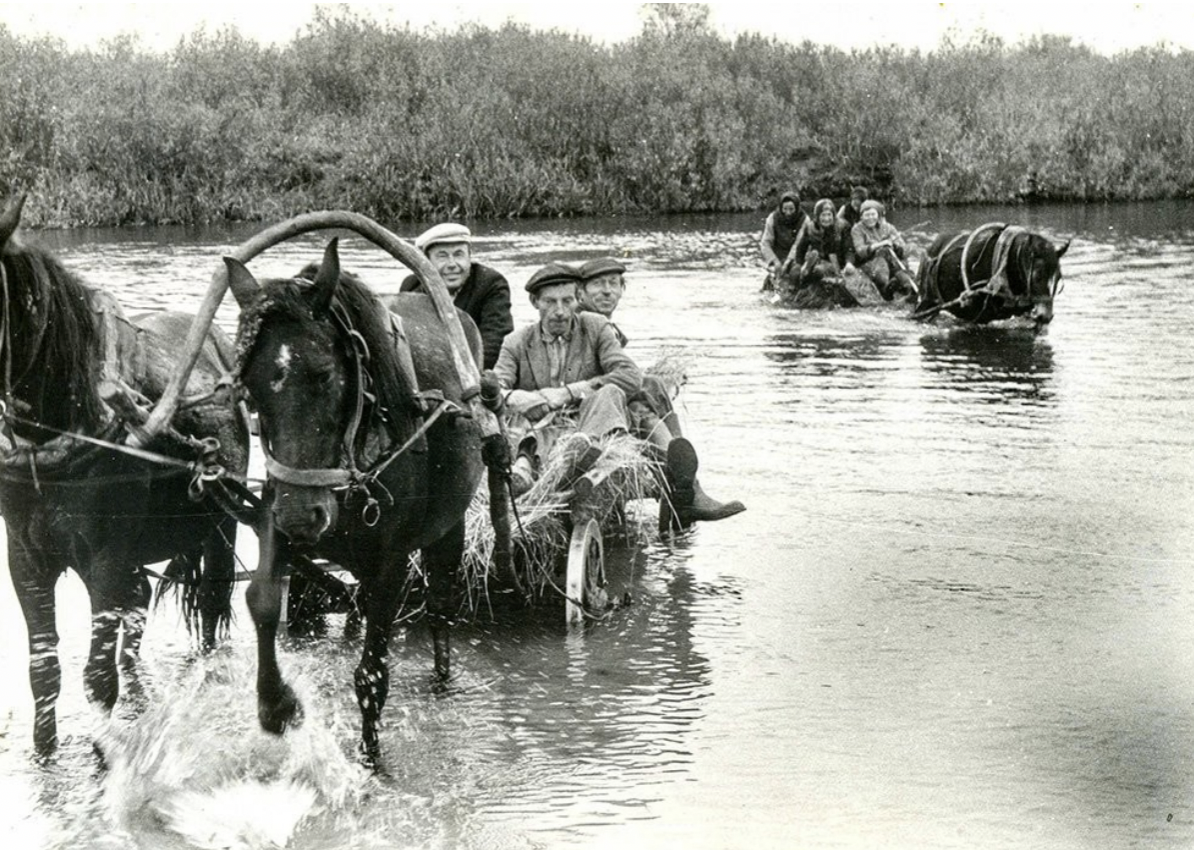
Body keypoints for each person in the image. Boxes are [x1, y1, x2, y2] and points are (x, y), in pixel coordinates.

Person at [576, 257, 745, 529]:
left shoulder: (603, 325)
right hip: (587, 409)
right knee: (648, 390)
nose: (607, 291)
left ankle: (683, 483)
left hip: (602, 400)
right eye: (597, 284)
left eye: (614, 284)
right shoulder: (584, 321)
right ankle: (686, 486)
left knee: (651, 386)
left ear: (622, 290)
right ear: (580, 292)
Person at [400, 222, 513, 369]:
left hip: (475, 372)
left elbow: (495, 341)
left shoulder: (490, 283)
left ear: (469, 257)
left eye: (459, 255)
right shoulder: (411, 286)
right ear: (427, 262)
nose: (452, 264)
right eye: (442, 256)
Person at [850, 199, 916, 301]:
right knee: (881, 266)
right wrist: (878, 245)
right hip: (870, 262)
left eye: (873, 214)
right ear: (861, 217)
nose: (870, 218)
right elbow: (860, 251)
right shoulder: (857, 229)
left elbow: (905, 249)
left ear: (878, 215)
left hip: (892, 261)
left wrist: (895, 246)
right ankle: (886, 289)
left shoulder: (888, 227)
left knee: (902, 271)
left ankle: (908, 287)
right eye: (867, 215)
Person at [789, 198, 850, 289]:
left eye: (829, 215)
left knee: (819, 271)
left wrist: (849, 263)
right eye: (823, 215)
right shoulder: (810, 228)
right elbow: (801, 249)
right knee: (795, 271)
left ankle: (807, 274)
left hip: (837, 262)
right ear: (817, 216)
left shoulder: (842, 226)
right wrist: (798, 264)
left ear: (833, 215)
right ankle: (800, 280)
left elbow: (849, 248)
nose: (826, 219)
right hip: (819, 259)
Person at [759, 191, 806, 291]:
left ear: (796, 208)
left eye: (791, 209)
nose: (788, 213)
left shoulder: (805, 220)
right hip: (778, 254)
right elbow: (765, 243)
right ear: (781, 208)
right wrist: (774, 261)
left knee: (795, 271)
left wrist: (787, 263)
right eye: (785, 209)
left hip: (797, 256)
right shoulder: (772, 218)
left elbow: (798, 244)